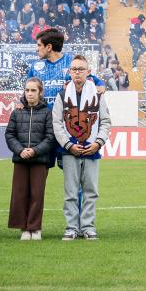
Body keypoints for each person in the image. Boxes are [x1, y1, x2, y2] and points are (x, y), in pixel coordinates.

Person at [53, 54, 111, 240]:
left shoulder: (98, 95)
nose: (77, 72)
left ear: (88, 72)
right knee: (71, 192)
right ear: (69, 72)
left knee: (90, 192)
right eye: (74, 69)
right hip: (69, 151)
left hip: (92, 150)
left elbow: (105, 122)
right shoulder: (62, 95)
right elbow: (57, 124)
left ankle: (87, 227)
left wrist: (98, 143)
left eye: (81, 69)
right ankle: (71, 227)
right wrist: (68, 145)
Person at [5, 77, 55, 240]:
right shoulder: (16, 112)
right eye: (27, 90)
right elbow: (9, 134)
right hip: (20, 159)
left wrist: (34, 151)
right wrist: (20, 150)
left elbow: (50, 137)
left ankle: (35, 227)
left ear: (40, 92)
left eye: (33, 90)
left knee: (37, 194)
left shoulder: (47, 112)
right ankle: (24, 228)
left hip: (39, 160)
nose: (30, 93)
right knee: (19, 194)